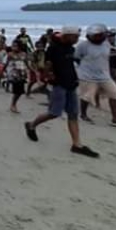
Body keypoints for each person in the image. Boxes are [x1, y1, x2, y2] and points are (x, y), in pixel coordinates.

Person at [24, 26, 98, 157]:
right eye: (75, 37)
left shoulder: (71, 48)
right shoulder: (53, 49)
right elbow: (47, 66)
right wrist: (48, 77)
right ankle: (31, 124)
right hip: (59, 85)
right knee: (54, 113)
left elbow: (77, 62)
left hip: (71, 84)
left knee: (73, 114)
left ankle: (77, 144)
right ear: (67, 35)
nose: (77, 39)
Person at [76, 24, 116, 127]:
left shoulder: (106, 44)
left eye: (100, 35)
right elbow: (76, 57)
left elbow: (109, 57)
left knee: (115, 94)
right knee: (87, 96)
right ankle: (83, 114)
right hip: (88, 75)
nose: (98, 37)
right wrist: (83, 69)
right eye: (95, 35)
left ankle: (115, 118)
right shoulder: (83, 45)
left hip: (104, 75)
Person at [6, 40, 29, 113]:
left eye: (15, 46)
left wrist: (29, 71)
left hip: (22, 74)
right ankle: (13, 105)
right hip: (14, 74)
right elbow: (7, 63)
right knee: (16, 90)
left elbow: (26, 63)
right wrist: (4, 72)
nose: (14, 47)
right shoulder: (10, 54)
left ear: (19, 46)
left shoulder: (24, 54)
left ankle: (13, 104)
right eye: (13, 45)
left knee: (21, 91)